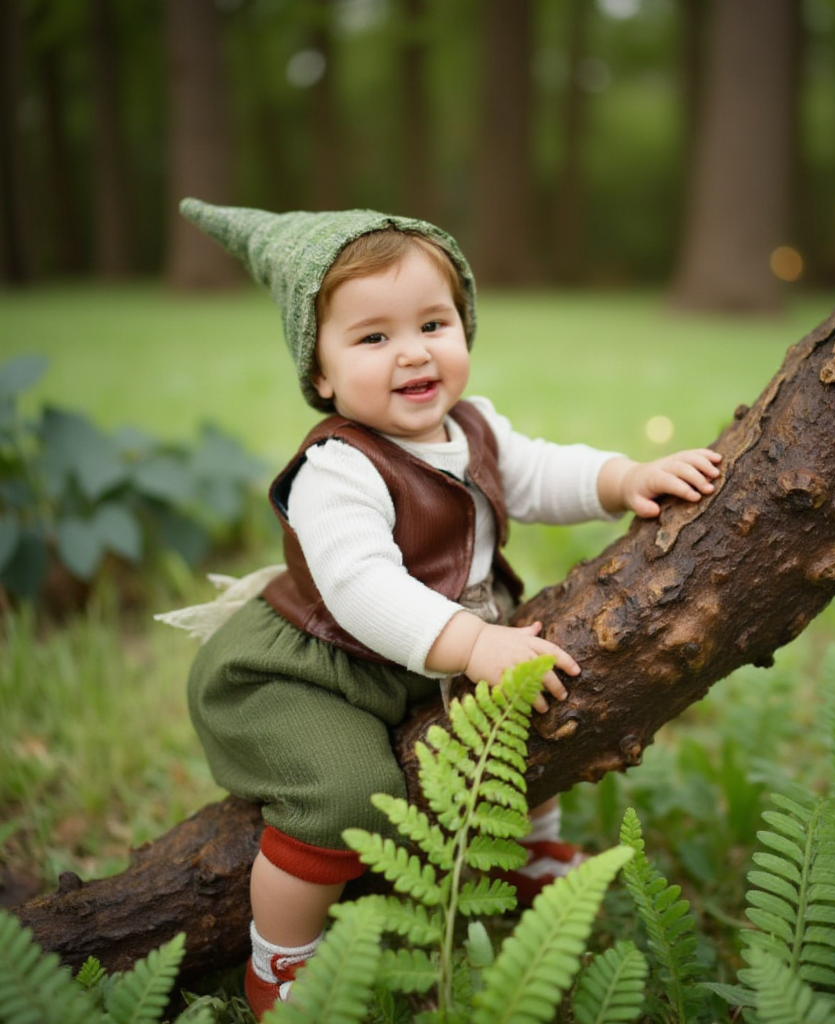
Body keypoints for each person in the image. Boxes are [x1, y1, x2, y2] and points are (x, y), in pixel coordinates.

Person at [165, 199, 722, 1020]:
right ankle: (281, 965)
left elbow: (540, 473)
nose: (413, 353)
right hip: (304, 676)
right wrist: (470, 642)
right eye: (373, 337)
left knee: (533, 709)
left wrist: (623, 479)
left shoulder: (473, 428)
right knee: (346, 793)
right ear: (320, 374)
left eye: (434, 322)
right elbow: (361, 589)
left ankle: (522, 856)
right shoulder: (337, 469)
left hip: (420, 658)